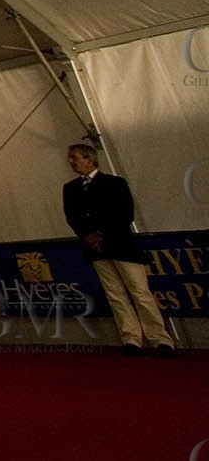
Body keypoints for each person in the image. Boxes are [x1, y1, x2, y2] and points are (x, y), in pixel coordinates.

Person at [62, 144, 175, 357]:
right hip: (96, 250)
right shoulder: (70, 188)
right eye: (70, 158)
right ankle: (131, 338)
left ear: (90, 159)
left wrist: (101, 232)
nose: (71, 161)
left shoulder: (114, 183)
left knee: (140, 292)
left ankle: (160, 338)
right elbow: (72, 217)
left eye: (74, 157)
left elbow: (125, 214)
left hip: (122, 246)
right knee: (115, 295)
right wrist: (87, 235)